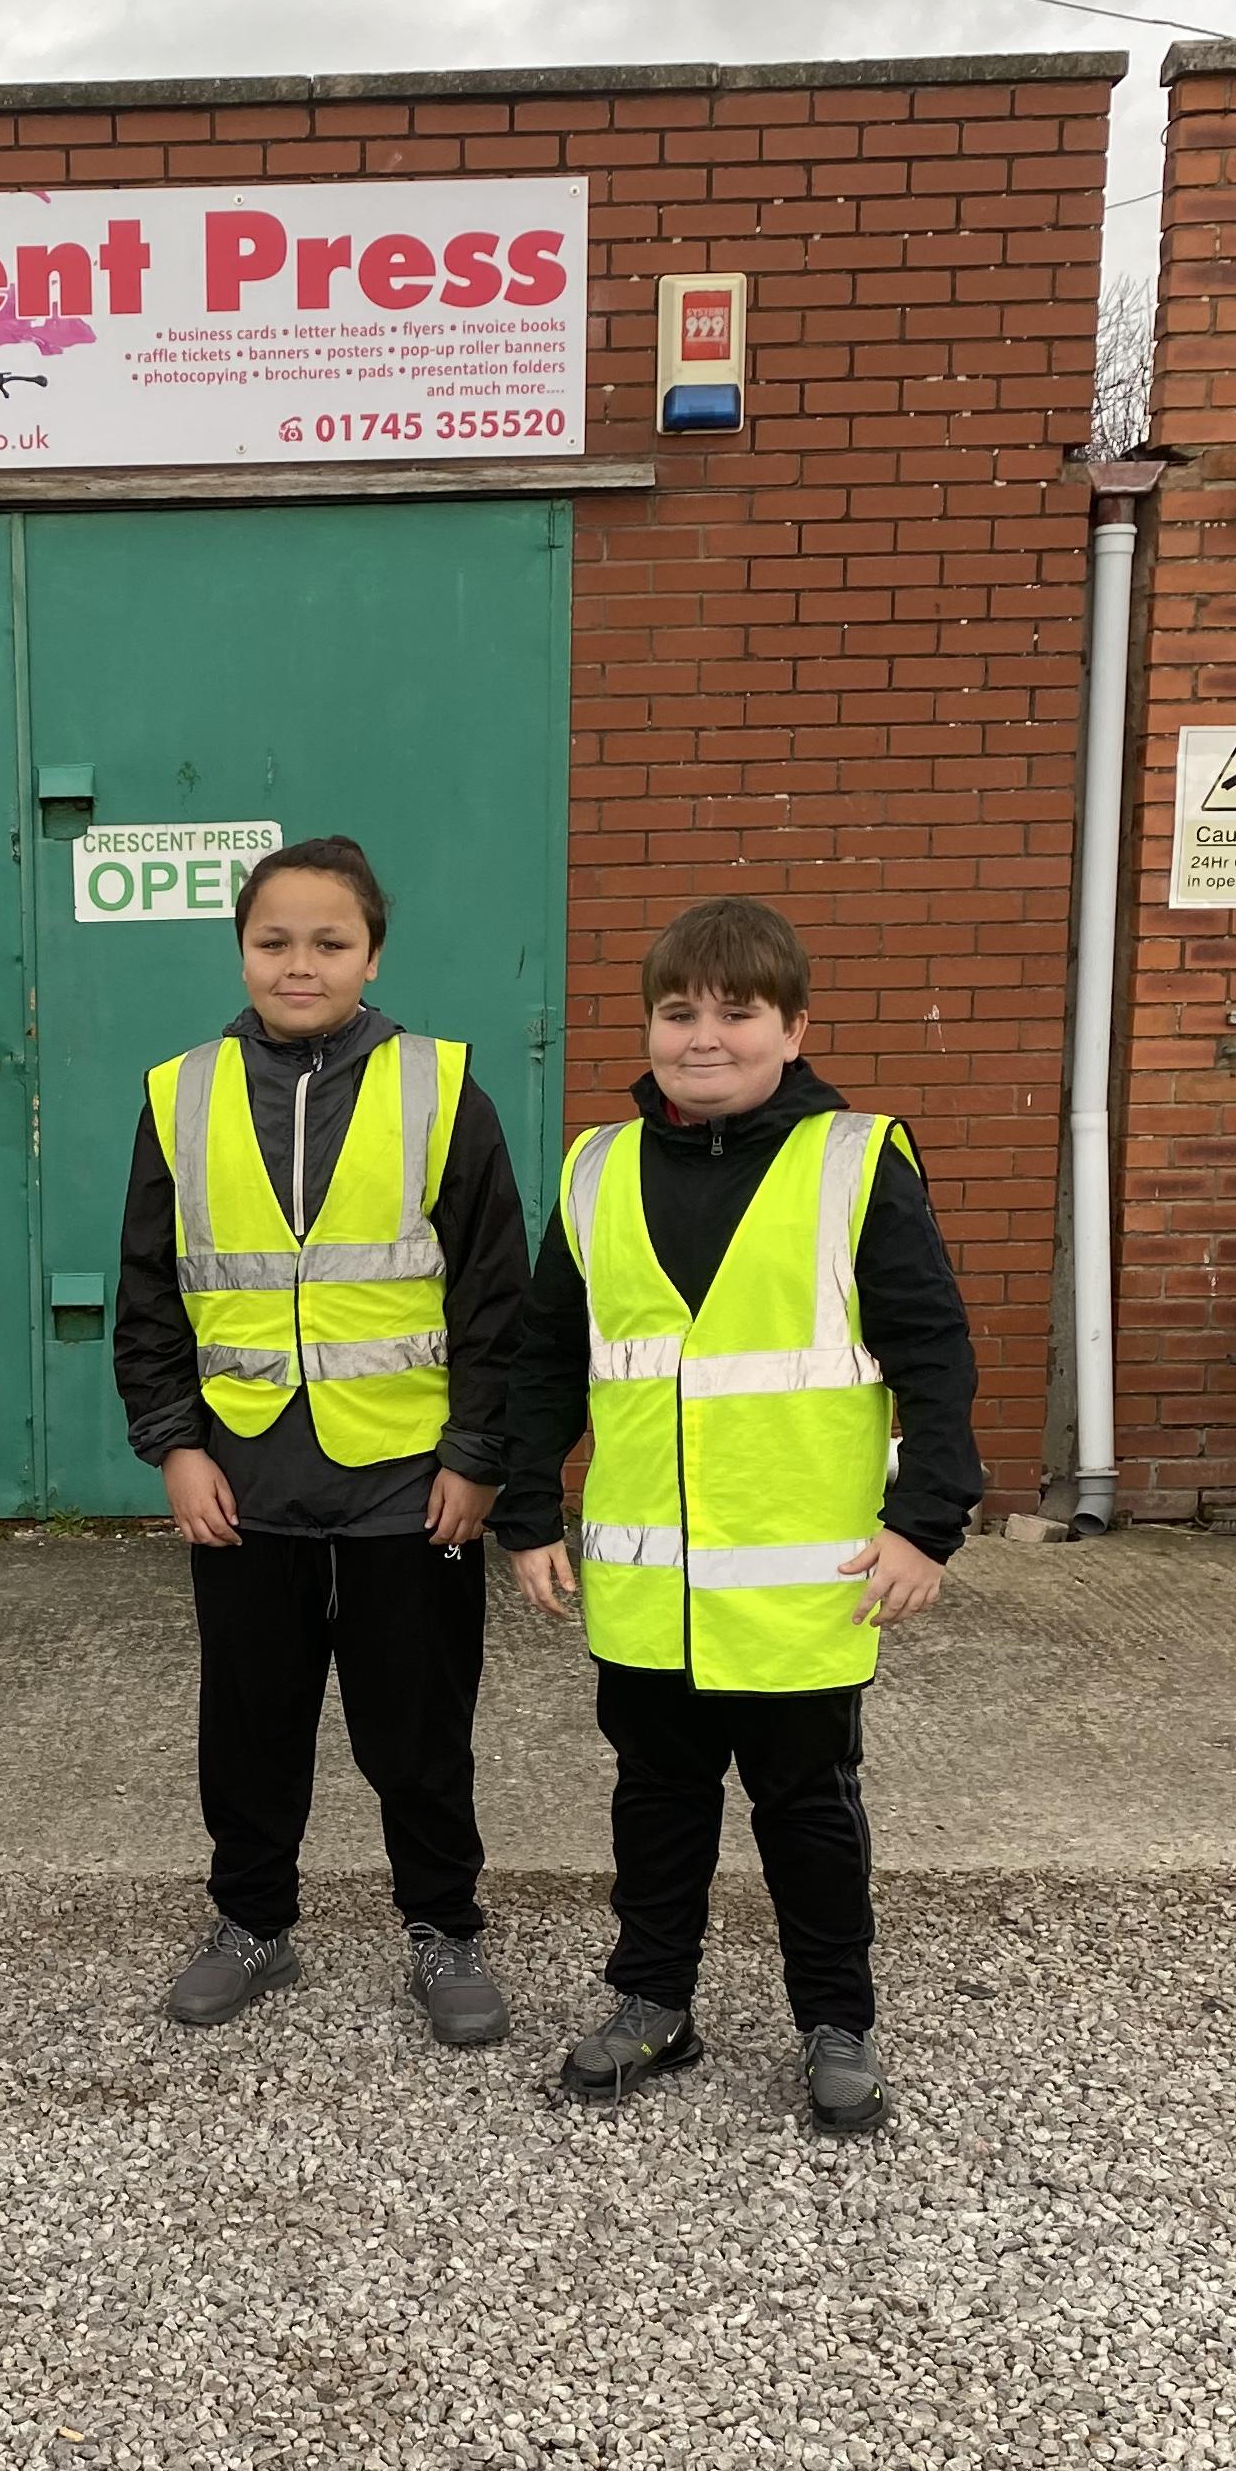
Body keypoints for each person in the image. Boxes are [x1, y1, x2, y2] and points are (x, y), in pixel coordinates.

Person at [496, 894, 983, 2134]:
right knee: (656, 1809)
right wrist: (526, 1509)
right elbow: (546, 1358)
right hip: (650, 1591)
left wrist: (927, 1521)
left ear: (794, 1027)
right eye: (677, 1012)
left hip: (803, 1588)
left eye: (737, 1012)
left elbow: (934, 1352)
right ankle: (653, 2004)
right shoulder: (596, 1171)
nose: (703, 1037)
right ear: (648, 1027)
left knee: (808, 1817)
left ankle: (837, 2022)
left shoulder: (855, 1162)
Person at [113, 835, 529, 2045]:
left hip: (411, 1482)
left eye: (330, 942)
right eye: (274, 941)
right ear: (241, 951)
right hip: (244, 1477)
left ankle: (443, 1928)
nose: (301, 964)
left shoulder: (443, 1088)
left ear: (373, 954)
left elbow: (495, 1293)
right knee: (250, 1721)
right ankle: (253, 1922)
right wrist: (175, 1446)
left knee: (420, 1726)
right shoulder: (179, 1094)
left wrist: (477, 1455)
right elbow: (151, 1291)